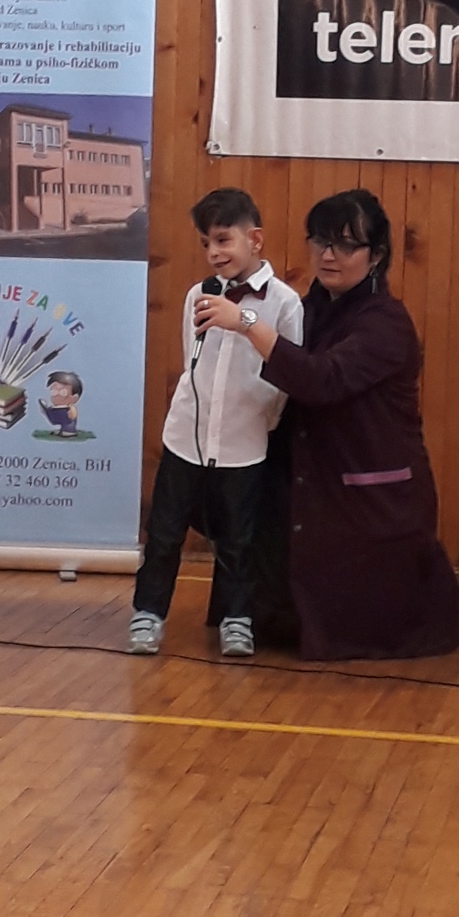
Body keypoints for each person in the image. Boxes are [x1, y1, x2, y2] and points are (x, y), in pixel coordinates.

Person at [195, 189, 459, 661]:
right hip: (309, 472)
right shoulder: (307, 307)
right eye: (321, 241)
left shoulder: (387, 322)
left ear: (376, 255)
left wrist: (246, 322)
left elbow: (321, 380)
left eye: (346, 245)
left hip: (367, 489)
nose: (328, 255)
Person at [129, 187, 303, 657]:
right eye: (206, 243)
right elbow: (193, 358)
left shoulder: (284, 303)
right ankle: (148, 614)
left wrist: (258, 422)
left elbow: (286, 375)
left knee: (238, 539)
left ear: (255, 240)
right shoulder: (197, 294)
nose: (213, 252)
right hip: (186, 437)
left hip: (244, 443)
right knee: (164, 532)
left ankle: (237, 619)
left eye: (223, 240)